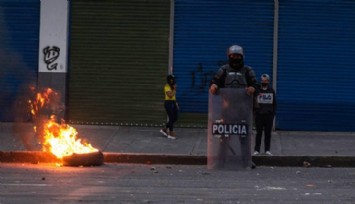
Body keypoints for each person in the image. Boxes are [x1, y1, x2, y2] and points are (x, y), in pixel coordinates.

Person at [253, 74, 277, 156]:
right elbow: (253, 100)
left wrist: (273, 113)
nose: (263, 82)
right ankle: (257, 150)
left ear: (268, 81)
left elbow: (274, 103)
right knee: (258, 133)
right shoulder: (257, 90)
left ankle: (267, 150)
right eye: (262, 80)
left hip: (268, 116)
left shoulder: (271, 90)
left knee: (268, 133)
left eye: (265, 80)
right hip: (259, 115)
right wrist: (255, 112)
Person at [160, 74, 179, 139]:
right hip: (168, 103)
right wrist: (174, 89)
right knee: (171, 117)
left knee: (175, 117)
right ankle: (171, 133)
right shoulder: (167, 86)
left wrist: (176, 103)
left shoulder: (172, 86)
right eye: (172, 79)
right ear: (170, 80)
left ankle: (164, 129)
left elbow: (173, 97)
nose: (174, 80)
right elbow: (170, 95)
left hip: (173, 102)